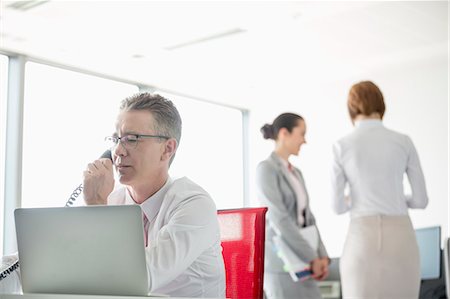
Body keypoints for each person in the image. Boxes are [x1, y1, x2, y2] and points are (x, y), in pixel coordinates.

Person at [82, 93, 226, 297]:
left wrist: (96, 206)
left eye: (132, 139)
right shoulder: (112, 200)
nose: (119, 151)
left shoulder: (194, 204)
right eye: (116, 139)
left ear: (167, 149)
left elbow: (136, 280)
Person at [331, 81, 428, 298]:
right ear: (381, 105)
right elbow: (421, 200)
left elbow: (337, 207)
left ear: (351, 108)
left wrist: (357, 198)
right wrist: (395, 197)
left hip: (361, 237)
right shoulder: (403, 141)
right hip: (400, 236)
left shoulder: (342, 145)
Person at [256, 113, 330, 299]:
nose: (304, 140)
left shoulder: (296, 173)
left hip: (306, 261)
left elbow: (308, 217)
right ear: (284, 133)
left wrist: (322, 256)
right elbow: (279, 219)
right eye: (301, 133)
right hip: (283, 264)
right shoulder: (266, 169)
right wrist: (312, 257)